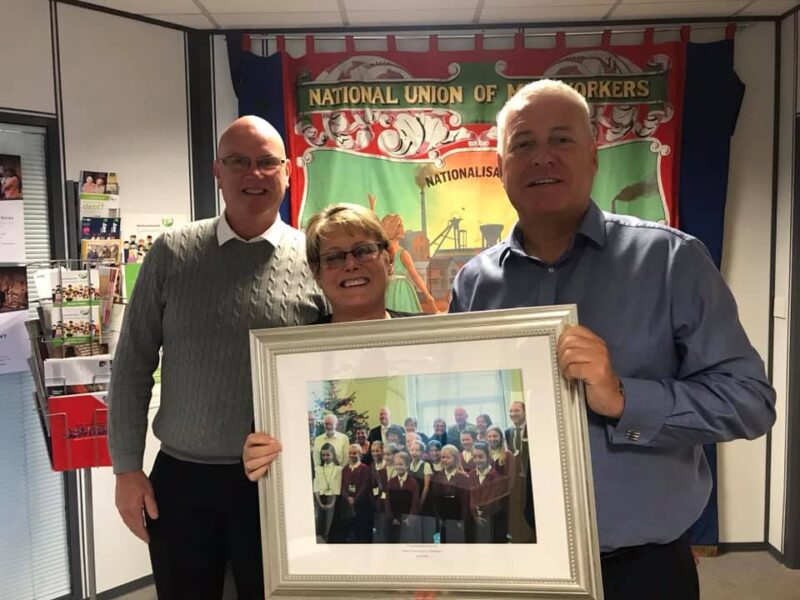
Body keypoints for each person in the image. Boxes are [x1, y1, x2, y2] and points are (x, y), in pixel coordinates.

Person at [449, 79, 776, 598]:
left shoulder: (672, 261)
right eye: (523, 144)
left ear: (593, 156)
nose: (542, 158)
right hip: (519, 565)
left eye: (562, 140)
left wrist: (622, 397)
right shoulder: (474, 282)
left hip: (642, 572)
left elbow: (750, 404)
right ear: (500, 165)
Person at [108, 116, 327, 600]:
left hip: (277, 482)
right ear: (217, 172)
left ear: (287, 172)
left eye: (267, 162)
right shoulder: (172, 252)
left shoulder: (315, 258)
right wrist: (126, 467)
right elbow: (132, 363)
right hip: (181, 483)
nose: (254, 174)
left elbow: (335, 372)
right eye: (239, 162)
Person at [340, 443, 372, 542]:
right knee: (349, 524)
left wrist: (355, 498)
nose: (352, 455)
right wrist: (348, 497)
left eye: (355, 453)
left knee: (360, 525)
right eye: (350, 453)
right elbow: (343, 485)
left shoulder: (365, 468)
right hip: (347, 502)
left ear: (360, 454)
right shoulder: (345, 468)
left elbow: (365, 485)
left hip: (360, 502)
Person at [313, 443, 344, 542]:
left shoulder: (338, 469)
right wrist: (320, 503)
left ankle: (328, 541)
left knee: (329, 524)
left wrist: (331, 504)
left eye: (328, 455)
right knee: (319, 523)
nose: (325, 457)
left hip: (333, 498)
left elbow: (337, 486)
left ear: (333, 455)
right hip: (320, 497)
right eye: (323, 455)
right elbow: (316, 486)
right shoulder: (318, 469)